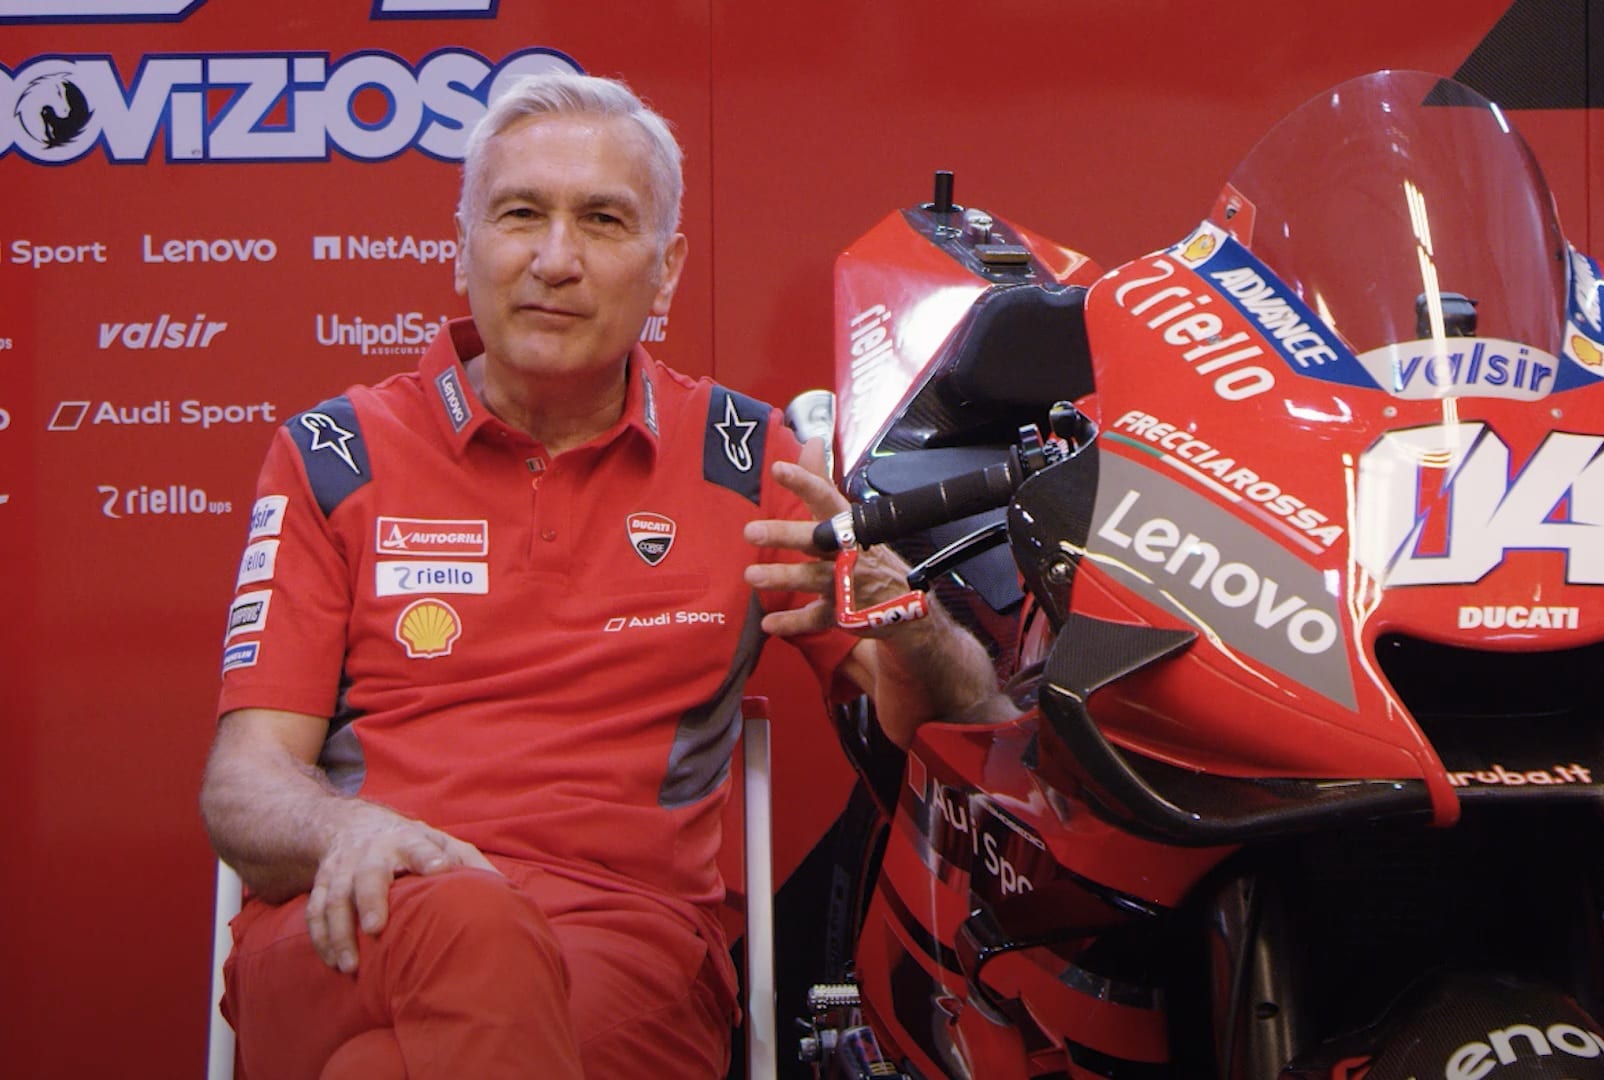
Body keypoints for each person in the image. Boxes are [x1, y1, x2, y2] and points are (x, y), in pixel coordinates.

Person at [199, 70, 1006, 1079]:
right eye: (521, 214)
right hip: (359, 920)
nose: (554, 258)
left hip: (623, 948)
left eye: (603, 221)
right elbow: (245, 780)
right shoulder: (338, 453)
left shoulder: (746, 461)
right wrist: (347, 830)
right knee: (468, 932)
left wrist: (906, 619)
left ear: (665, 273)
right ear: (464, 247)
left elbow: (951, 729)